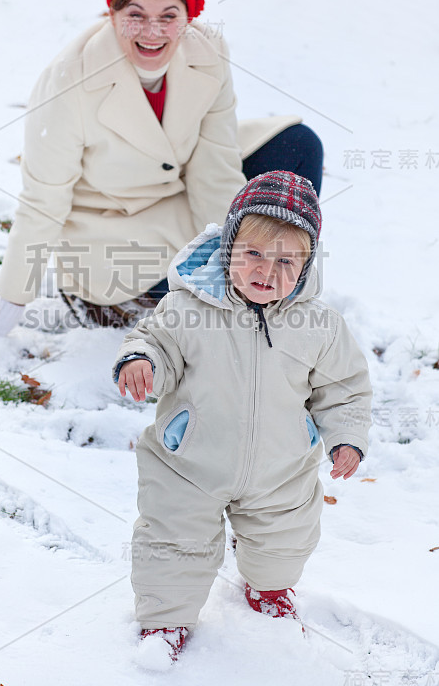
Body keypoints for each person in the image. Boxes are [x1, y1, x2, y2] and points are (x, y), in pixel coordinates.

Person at [0, 0, 323, 347]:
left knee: (297, 146)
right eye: (136, 14)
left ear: (190, 15)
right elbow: (43, 201)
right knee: (137, 267)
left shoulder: (208, 51)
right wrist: (9, 307)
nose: (152, 32)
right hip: (110, 225)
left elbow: (214, 165)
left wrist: (234, 258)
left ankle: (265, 290)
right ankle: (138, 304)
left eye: (169, 15)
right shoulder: (69, 79)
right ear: (112, 14)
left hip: (181, 191)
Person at [113, 171, 371, 662]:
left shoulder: (318, 324)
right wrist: (142, 361)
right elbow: (156, 343)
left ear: (307, 264)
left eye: (285, 261)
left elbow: (344, 389)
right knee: (172, 540)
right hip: (188, 463)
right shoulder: (188, 307)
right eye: (253, 253)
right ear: (229, 245)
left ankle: (268, 588)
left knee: (286, 539)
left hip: (281, 469)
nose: (266, 271)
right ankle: (166, 617)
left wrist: (348, 437)